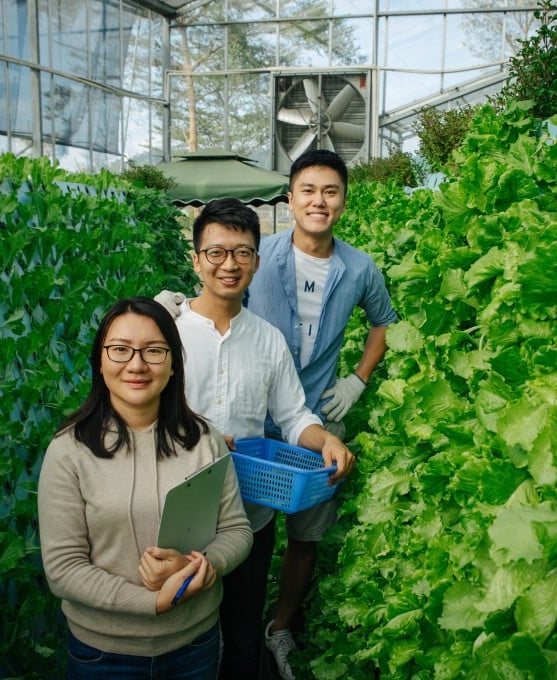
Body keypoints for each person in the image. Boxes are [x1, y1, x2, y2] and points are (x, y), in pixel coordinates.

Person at [167, 197, 356, 679]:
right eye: (216, 252)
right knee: (178, 633)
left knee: (242, 635)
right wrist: (200, 434)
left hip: (248, 515)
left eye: (242, 253)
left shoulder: (267, 338)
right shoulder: (167, 332)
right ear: (196, 259)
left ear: (256, 259)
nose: (229, 265)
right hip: (175, 515)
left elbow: (293, 415)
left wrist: (324, 442)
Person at [37, 296, 253, 680]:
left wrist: (196, 568)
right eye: (120, 350)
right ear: (100, 362)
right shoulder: (69, 451)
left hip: (194, 644)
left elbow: (237, 530)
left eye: (154, 351)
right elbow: (63, 569)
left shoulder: (203, 440)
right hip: (103, 654)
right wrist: (153, 602)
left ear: (172, 365)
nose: (136, 364)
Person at [246, 149, 397, 678]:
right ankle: (230, 631)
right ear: (290, 198)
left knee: (305, 533)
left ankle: (279, 627)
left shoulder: (359, 267)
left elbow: (384, 323)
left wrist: (358, 379)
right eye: (308, 190)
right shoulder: (258, 255)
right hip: (252, 417)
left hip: (318, 417)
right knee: (240, 530)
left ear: (343, 202)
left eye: (330, 191)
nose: (318, 201)